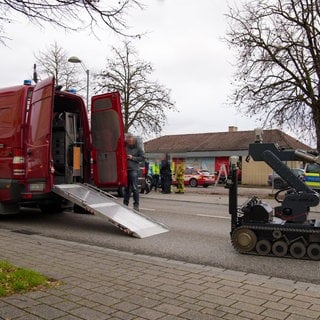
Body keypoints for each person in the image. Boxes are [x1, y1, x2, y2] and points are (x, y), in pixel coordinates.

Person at [123, 133, 145, 211]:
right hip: (126, 170)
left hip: (134, 169)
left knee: (135, 188)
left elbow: (142, 158)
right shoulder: (125, 147)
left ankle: (136, 205)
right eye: (128, 140)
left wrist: (132, 157)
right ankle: (125, 204)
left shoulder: (138, 148)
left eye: (130, 140)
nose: (129, 142)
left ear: (133, 140)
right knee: (127, 188)